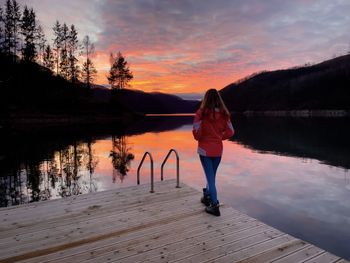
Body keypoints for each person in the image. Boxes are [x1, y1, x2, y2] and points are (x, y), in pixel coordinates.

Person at [192, 89, 234, 216]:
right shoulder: (224, 114)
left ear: (206, 99)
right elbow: (231, 132)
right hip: (218, 150)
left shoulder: (201, 113)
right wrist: (219, 137)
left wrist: (204, 136)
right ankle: (207, 196)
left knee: (210, 178)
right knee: (211, 177)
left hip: (205, 150)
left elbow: (196, 134)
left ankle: (214, 205)